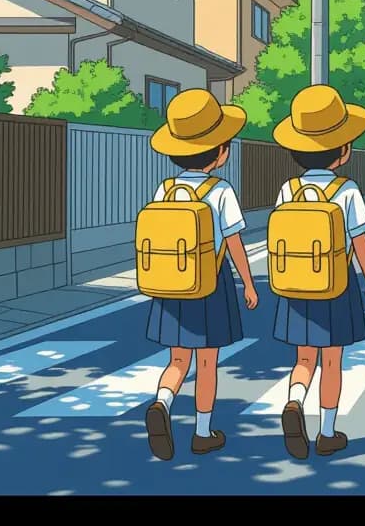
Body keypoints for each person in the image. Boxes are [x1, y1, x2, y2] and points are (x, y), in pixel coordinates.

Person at [143, 90, 260, 461]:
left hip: (173, 283)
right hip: (211, 282)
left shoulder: (166, 189)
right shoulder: (220, 190)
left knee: (178, 360)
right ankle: (203, 432)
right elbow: (234, 243)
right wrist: (249, 284)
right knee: (207, 362)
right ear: (221, 152)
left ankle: (161, 402)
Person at [271, 84, 365, 459]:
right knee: (331, 360)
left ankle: (294, 401)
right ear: (344, 150)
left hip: (296, 285)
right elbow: (360, 242)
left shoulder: (289, 190)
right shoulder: (346, 190)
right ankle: (327, 432)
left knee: (304, 358)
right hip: (336, 284)